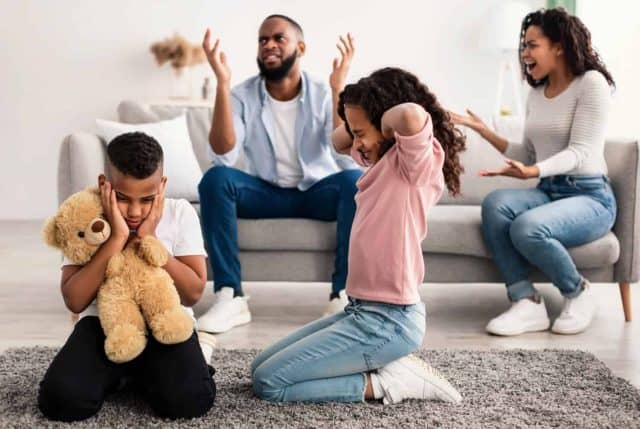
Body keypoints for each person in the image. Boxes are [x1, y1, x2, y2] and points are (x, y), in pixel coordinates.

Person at [250, 67, 465, 404]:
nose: (357, 141)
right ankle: (384, 366)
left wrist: (376, 117)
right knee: (259, 367)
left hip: (389, 321)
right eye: (357, 133)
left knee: (270, 384)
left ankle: (388, 384)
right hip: (361, 311)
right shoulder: (381, 160)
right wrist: (359, 123)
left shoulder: (414, 165)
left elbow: (409, 114)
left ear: (386, 127)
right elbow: (338, 138)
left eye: (363, 132)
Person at [452, 7, 616, 336]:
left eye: (532, 44)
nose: (524, 53)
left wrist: (533, 171)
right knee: (496, 204)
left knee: (527, 227)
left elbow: (581, 150)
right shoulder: (536, 94)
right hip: (550, 190)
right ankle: (527, 301)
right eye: (523, 45)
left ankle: (578, 292)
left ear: (559, 45)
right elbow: (527, 154)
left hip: (590, 195)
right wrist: (485, 131)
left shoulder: (591, 84)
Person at [197, 14, 362, 333]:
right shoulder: (241, 95)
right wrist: (222, 83)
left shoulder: (324, 92)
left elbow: (347, 159)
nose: (268, 45)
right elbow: (223, 156)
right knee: (215, 180)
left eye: (278, 38)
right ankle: (230, 296)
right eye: (262, 40)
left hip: (317, 193)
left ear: (300, 47)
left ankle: (342, 295)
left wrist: (339, 88)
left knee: (354, 182)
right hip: (266, 194)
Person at [38, 132, 215, 421]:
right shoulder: (86, 214)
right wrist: (117, 238)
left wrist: (151, 238)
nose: (134, 211)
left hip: (164, 321)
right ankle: (130, 374)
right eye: (122, 198)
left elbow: (192, 293)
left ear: (163, 186)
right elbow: (75, 299)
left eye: (147, 199)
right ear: (103, 184)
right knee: (61, 401)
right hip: (103, 323)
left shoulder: (180, 213)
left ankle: (160, 368)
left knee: (189, 402)